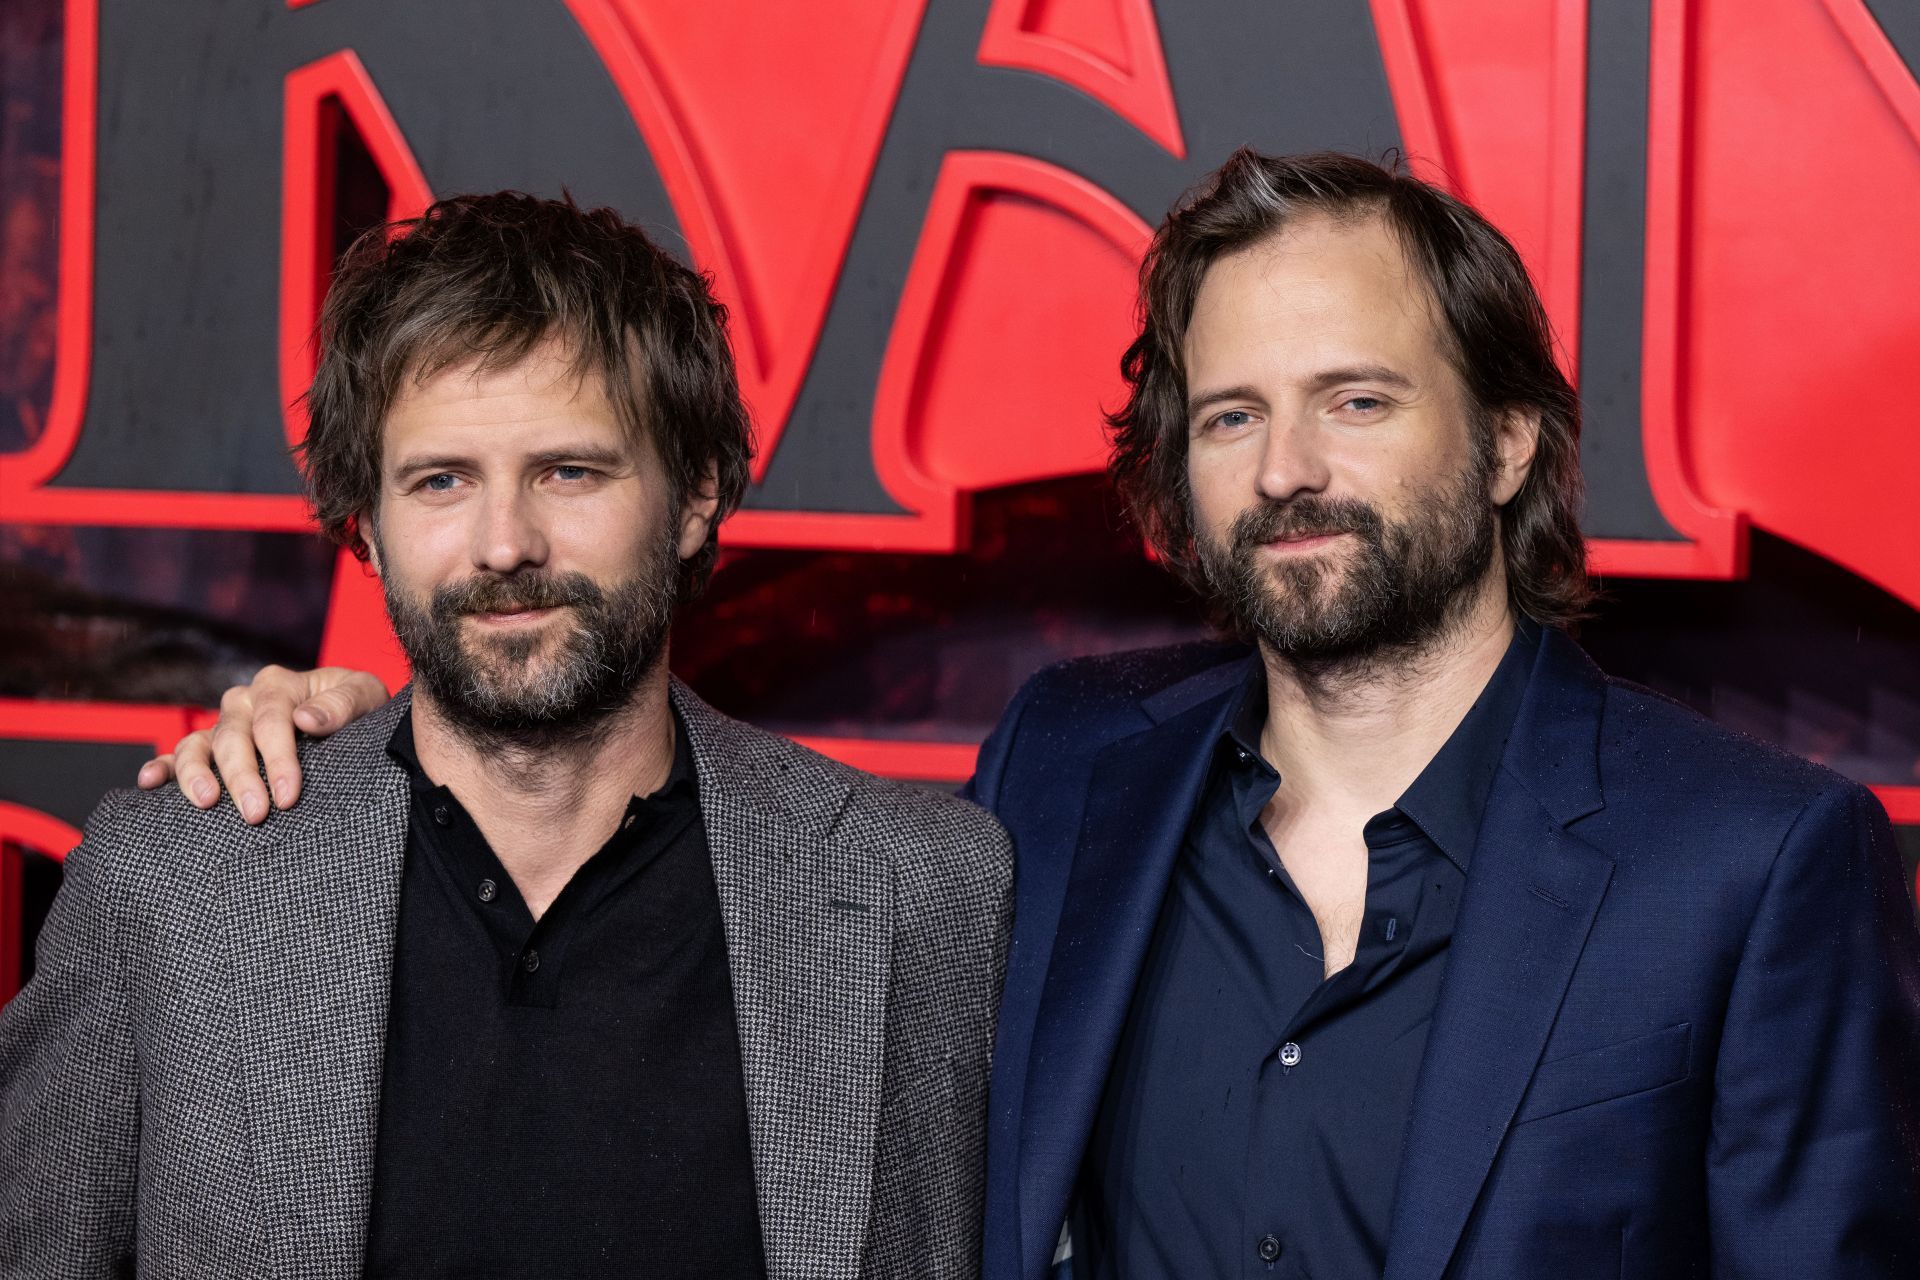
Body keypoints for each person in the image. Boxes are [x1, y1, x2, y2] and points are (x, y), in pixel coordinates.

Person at [139, 153, 1920, 1279]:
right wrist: (361, 732)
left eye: (1356, 400)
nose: (1289, 471)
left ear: (1514, 441)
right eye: (1230, 418)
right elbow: (607, 765)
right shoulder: (1064, 776)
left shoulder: (1755, 865)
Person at [0, 192, 1012, 1279]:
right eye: (441, 481)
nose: (504, 543)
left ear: (694, 496)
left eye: (568, 471)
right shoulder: (169, 881)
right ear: (369, 532)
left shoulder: (929, 893)